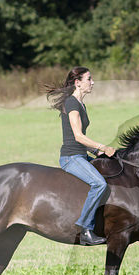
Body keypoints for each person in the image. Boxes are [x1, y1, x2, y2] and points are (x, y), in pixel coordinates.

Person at [43, 67, 115, 245]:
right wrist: (102, 147)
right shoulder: (72, 103)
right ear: (78, 82)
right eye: (89, 79)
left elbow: (79, 139)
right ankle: (85, 229)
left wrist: (96, 153)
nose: (92, 82)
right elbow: (77, 136)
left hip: (81, 155)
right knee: (99, 184)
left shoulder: (80, 103)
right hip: (71, 158)